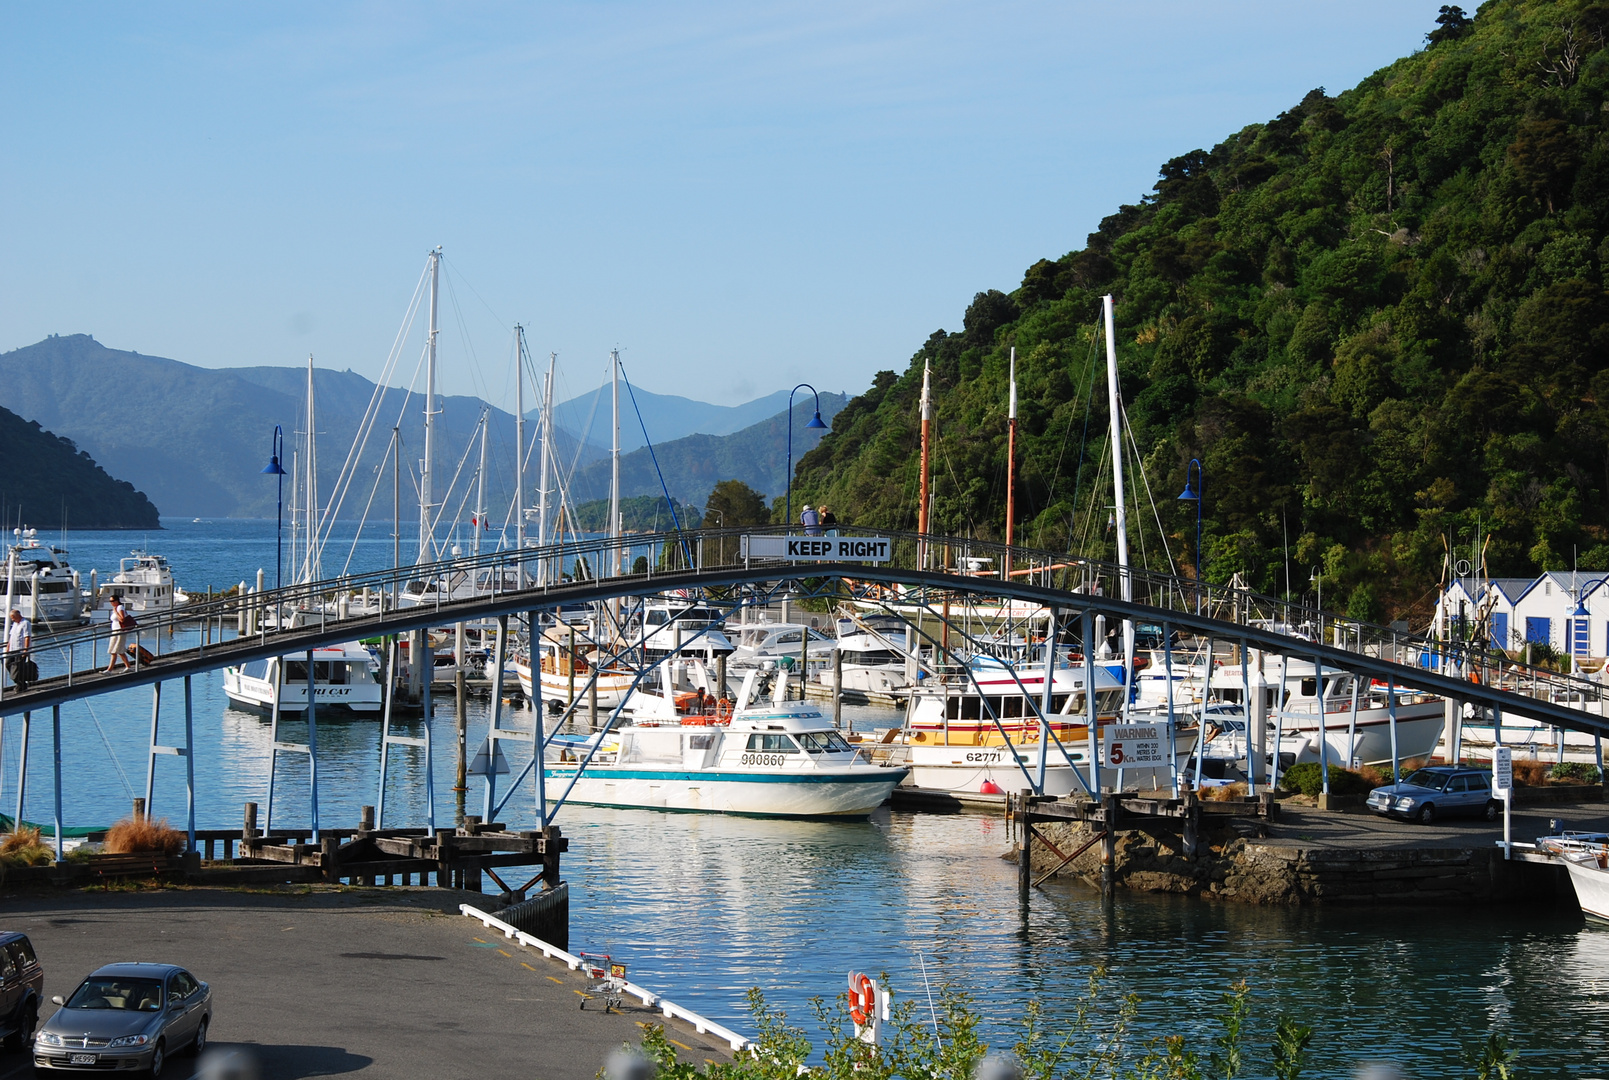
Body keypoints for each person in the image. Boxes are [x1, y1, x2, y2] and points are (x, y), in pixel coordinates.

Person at [105, 594, 134, 673]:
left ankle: (109, 670)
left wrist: (115, 612)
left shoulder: (120, 607)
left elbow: (122, 619)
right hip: (115, 631)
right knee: (119, 651)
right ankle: (128, 667)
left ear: (117, 601)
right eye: (110, 601)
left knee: (115, 651)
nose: (111, 603)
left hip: (120, 631)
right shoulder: (115, 608)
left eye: (112, 601)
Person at [4, 609, 31, 691]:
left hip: (20, 649)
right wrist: (8, 648)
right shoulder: (15, 624)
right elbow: (11, 637)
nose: (12, 619)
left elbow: (27, 637)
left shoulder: (25, 623)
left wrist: (25, 650)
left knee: (18, 668)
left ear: (17, 616)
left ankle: (21, 684)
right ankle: (19, 682)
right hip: (12, 649)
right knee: (8, 664)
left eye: (13, 617)